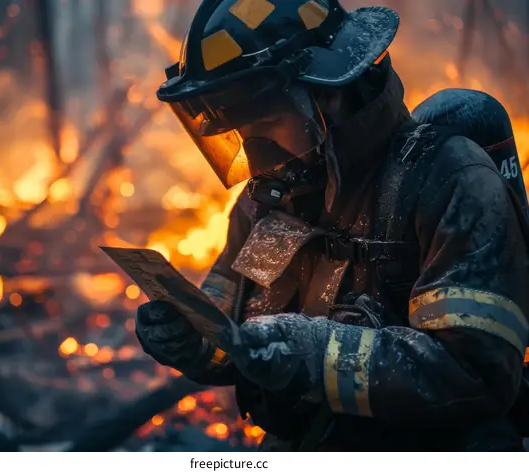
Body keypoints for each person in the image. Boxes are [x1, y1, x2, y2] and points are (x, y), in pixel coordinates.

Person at [135, 0, 529, 451]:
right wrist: (195, 339)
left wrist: (312, 352)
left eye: (264, 121)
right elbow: (241, 336)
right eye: (242, 129)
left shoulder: (450, 180)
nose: (253, 145)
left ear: (330, 93)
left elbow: (475, 375)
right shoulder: (271, 201)